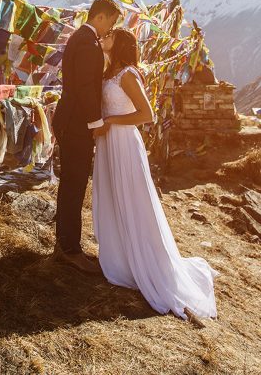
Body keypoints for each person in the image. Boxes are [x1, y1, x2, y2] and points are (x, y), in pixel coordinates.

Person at [93, 28, 219, 322]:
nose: (104, 38)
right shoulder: (108, 72)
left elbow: (146, 114)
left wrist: (110, 120)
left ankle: (146, 261)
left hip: (124, 142)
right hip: (109, 143)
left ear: (121, 43)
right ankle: (122, 256)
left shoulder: (127, 74)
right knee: (113, 197)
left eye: (110, 35)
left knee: (133, 200)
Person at [51, 0, 121, 274]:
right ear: (101, 17)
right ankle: (69, 249)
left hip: (71, 120)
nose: (110, 30)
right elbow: (83, 87)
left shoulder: (80, 38)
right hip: (76, 122)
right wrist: (96, 122)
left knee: (73, 182)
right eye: (112, 22)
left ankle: (66, 243)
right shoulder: (89, 45)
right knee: (74, 183)